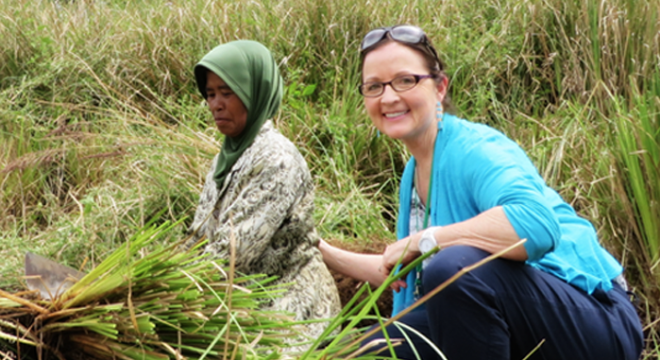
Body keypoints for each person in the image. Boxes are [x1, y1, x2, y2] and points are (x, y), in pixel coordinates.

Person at [319, 25, 644, 360]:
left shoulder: (475, 149)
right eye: (374, 87)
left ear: (440, 88)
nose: (388, 97)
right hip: (512, 315)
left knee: (453, 268)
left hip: (595, 320)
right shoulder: (414, 173)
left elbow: (536, 225)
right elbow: (399, 270)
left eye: (405, 80)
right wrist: (320, 250)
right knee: (361, 351)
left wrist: (425, 240)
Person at [185, 40, 341, 351]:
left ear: (254, 93)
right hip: (241, 302)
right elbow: (200, 235)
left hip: (290, 307)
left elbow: (232, 253)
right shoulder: (224, 160)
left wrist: (171, 285)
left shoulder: (277, 159)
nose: (215, 104)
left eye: (227, 93)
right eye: (211, 94)